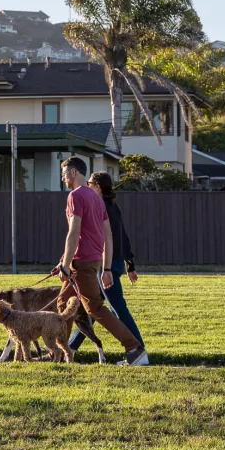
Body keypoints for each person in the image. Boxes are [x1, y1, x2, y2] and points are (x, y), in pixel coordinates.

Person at [52, 157, 148, 366]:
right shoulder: (97, 198)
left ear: (74, 172)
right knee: (63, 303)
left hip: (82, 263)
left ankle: (134, 348)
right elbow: (109, 236)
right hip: (93, 261)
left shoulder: (76, 195)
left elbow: (74, 232)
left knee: (95, 309)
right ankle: (60, 354)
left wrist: (66, 265)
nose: (63, 177)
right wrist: (104, 267)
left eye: (65, 173)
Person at [69, 171, 143, 354]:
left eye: (90, 182)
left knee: (118, 308)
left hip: (106, 264)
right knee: (92, 309)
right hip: (113, 263)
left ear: (98, 187)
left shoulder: (100, 206)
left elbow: (106, 238)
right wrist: (129, 264)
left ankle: (138, 348)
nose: (86, 184)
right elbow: (123, 235)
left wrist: (106, 268)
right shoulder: (112, 206)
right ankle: (70, 348)